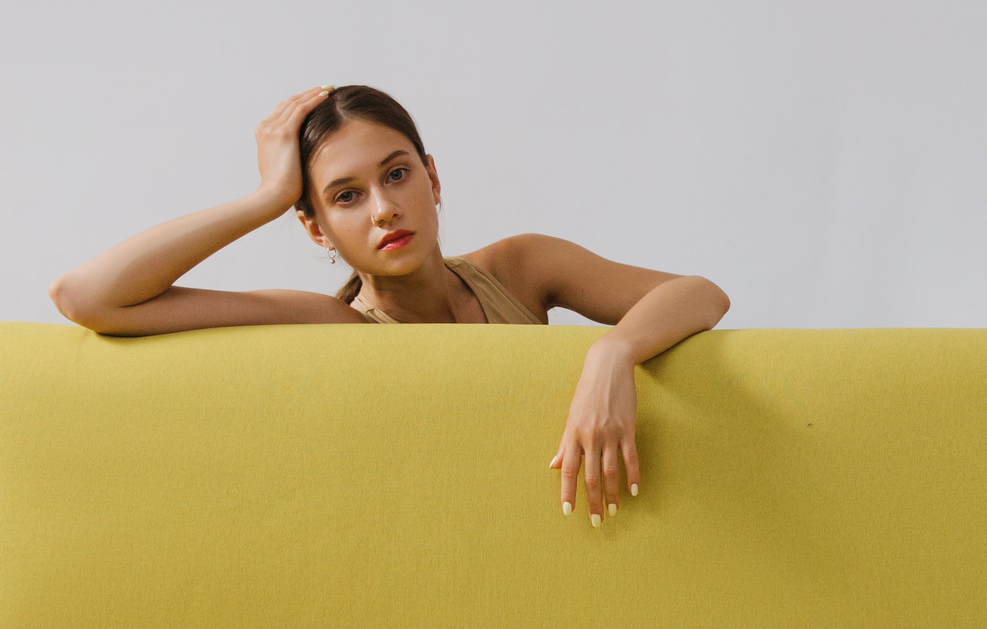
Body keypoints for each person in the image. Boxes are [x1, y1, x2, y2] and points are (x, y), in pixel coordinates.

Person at [50, 84, 730, 526]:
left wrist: (610, 353)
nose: (384, 209)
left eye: (397, 173)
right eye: (345, 196)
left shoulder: (522, 268)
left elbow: (699, 293)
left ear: (432, 178)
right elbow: (86, 296)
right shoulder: (333, 324)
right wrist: (265, 196)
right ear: (314, 226)